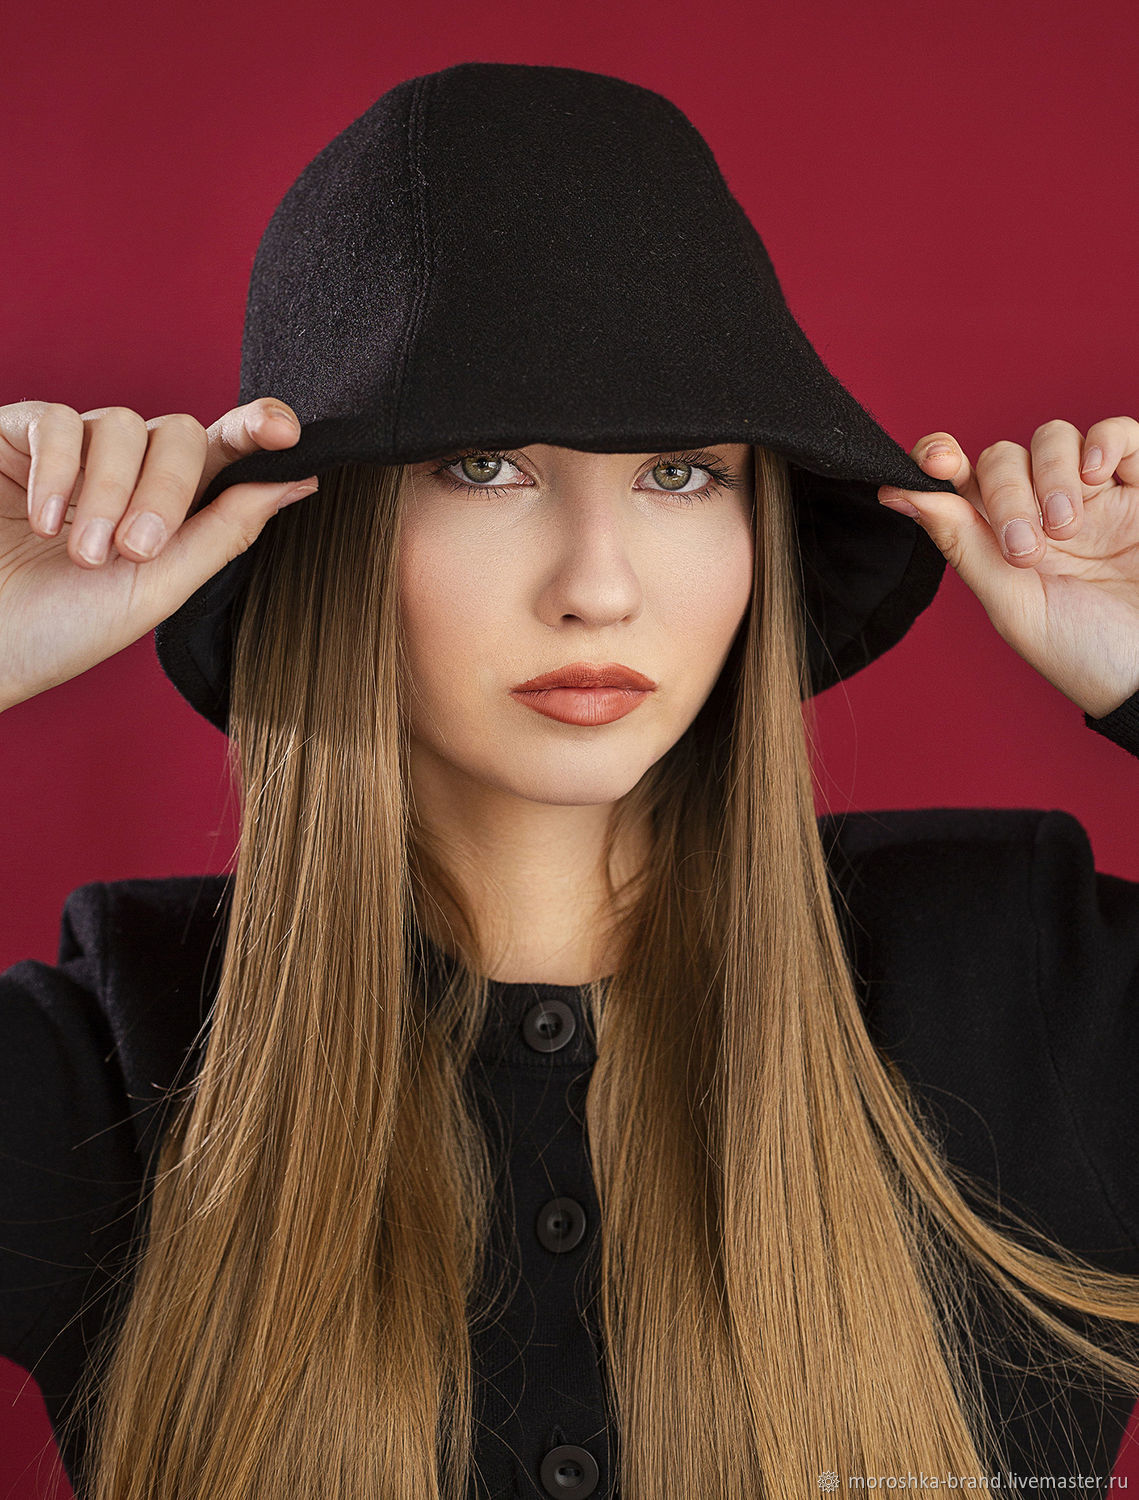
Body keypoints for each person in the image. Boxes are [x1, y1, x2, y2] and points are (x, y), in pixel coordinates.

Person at [2, 59, 1139, 1500]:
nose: (598, 587)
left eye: (682, 474)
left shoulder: (1030, 983)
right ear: (323, 528)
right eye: (484, 466)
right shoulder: (121, 1057)